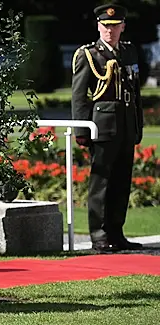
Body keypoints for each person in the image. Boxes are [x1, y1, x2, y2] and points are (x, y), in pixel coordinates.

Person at [71, 4, 143, 252]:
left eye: (114, 26)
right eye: (105, 26)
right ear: (98, 26)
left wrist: (137, 125)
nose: (109, 31)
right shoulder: (90, 54)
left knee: (122, 180)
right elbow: (79, 96)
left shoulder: (129, 52)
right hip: (101, 125)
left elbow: (136, 93)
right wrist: (81, 131)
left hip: (125, 123)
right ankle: (99, 234)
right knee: (101, 181)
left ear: (122, 26)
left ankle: (116, 231)